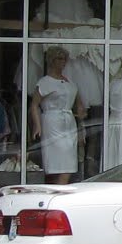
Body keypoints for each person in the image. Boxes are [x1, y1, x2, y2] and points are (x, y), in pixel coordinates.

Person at [29, 46, 85, 183]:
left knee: (69, 163)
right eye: (60, 59)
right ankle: (59, 191)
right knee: (57, 164)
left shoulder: (69, 82)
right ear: (52, 60)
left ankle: (58, 190)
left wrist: (81, 117)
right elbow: (34, 105)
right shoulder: (45, 82)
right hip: (52, 122)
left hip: (69, 123)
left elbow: (79, 104)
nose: (63, 62)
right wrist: (37, 126)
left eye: (65, 59)